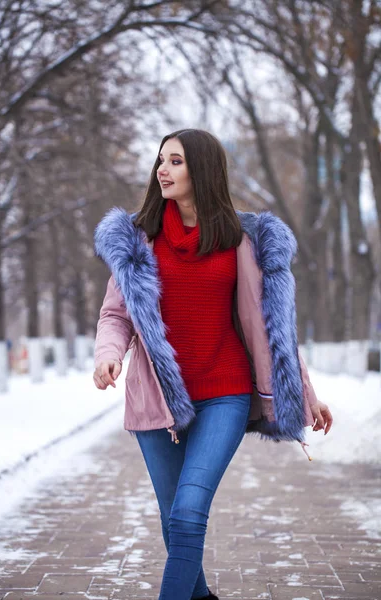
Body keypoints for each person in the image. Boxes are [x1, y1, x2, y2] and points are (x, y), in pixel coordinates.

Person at [93, 128, 333, 600]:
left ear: (202, 168)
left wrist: (306, 392)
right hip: (156, 399)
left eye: (176, 161)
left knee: (188, 514)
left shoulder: (244, 240)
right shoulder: (138, 240)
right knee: (173, 521)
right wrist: (107, 355)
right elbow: (115, 314)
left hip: (225, 394)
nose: (162, 169)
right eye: (161, 160)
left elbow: (275, 328)